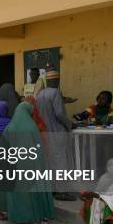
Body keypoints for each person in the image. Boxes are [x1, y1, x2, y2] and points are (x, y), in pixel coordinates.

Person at [0, 101, 55, 224]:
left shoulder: (10, 127)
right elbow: (39, 148)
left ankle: (20, 220)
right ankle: (42, 220)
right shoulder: (32, 127)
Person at [36, 69, 75, 202]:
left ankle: (52, 189)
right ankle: (62, 191)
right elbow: (59, 113)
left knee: (50, 162)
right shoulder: (56, 92)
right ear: (57, 80)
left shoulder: (40, 94)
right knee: (61, 162)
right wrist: (70, 124)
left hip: (45, 133)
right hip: (57, 132)